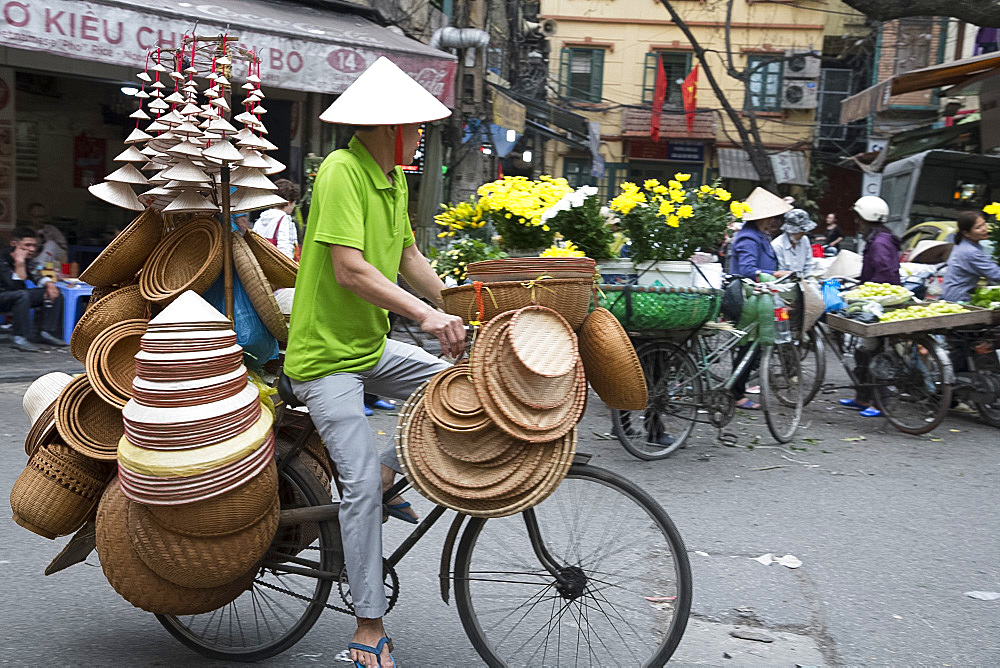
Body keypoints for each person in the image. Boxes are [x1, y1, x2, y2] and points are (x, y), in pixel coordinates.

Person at [283, 57, 464, 668]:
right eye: (413, 126)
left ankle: (390, 474)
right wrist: (425, 316)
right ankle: (367, 633)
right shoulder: (341, 171)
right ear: (388, 126)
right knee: (358, 487)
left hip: (368, 347)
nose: (420, 136)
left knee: (458, 387)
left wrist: (458, 304)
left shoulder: (392, 179)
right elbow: (350, 269)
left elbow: (408, 253)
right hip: (324, 359)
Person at [728, 187, 793, 410]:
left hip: (760, 295)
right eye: (772, 217)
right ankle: (735, 393)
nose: (775, 221)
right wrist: (776, 275)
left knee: (752, 346)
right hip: (749, 297)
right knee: (749, 346)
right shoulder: (748, 237)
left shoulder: (760, 236)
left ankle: (737, 389)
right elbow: (747, 269)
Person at [839, 195, 900, 417]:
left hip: (881, 304)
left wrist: (867, 291)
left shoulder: (880, 242)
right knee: (863, 351)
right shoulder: (878, 238)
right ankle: (862, 397)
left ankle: (880, 402)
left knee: (876, 352)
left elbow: (884, 274)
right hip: (873, 300)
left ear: (866, 219)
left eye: (858, 219)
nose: (857, 224)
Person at [0, 227, 66, 352]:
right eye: (27, 245)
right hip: (3, 297)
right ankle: (19, 338)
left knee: (54, 293)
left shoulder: (27, 259)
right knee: (22, 295)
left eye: (34, 245)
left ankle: (45, 332)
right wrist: (19, 263)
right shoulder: (2, 258)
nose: (32, 249)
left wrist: (49, 284)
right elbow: (13, 286)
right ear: (14, 244)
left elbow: (36, 274)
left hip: (17, 297)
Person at [941, 211, 1000, 302]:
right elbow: (995, 274)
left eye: (984, 224)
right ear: (967, 233)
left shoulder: (964, 245)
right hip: (959, 298)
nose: (984, 229)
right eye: (978, 227)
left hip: (952, 294)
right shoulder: (970, 251)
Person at [252, 179, 300, 260]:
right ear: (288, 202)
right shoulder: (284, 219)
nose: (294, 207)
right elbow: (285, 247)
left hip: (262, 263)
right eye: (294, 203)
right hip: (278, 266)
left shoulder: (261, 219)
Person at [772, 208, 818, 276]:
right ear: (791, 232)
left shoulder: (804, 240)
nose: (804, 233)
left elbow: (808, 265)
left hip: (804, 280)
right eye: (801, 232)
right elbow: (780, 271)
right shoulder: (777, 245)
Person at [26, 203, 69, 268]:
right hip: (34, 260)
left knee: (51, 244)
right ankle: (40, 268)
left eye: (43, 216)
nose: (41, 220)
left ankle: (40, 268)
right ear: (30, 217)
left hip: (53, 262)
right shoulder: (26, 231)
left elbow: (63, 248)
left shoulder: (52, 229)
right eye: (37, 217)